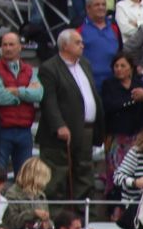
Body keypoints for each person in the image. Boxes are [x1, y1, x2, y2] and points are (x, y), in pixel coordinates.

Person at [39, 29, 103, 202]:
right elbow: (48, 100)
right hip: (61, 135)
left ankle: (83, 217)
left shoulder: (85, 65)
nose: (82, 45)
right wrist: (59, 125)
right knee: (57, 176)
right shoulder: (49, 68)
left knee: (84, 174)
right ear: (65, 45)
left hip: (85, 130)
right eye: (78, 42)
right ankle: (57, 216)